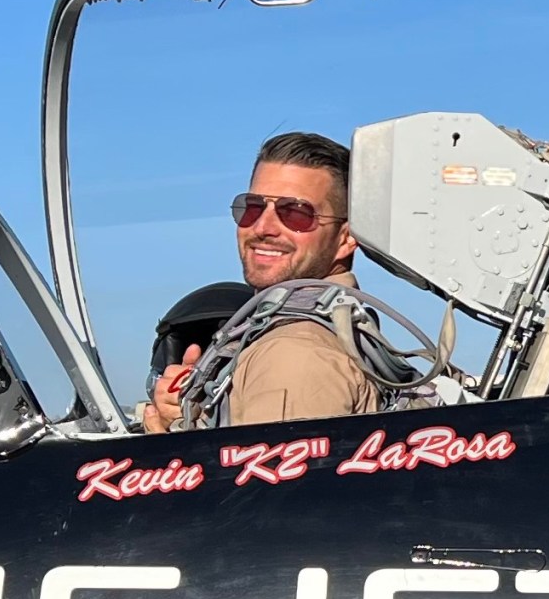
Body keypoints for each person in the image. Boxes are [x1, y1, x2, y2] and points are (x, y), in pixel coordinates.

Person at [141, 132, 377, 432]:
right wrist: (187, 414)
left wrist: (167, 449)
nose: (262, 227)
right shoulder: (336, 328)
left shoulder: (293, 356)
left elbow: (271, 477)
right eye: (252, 207)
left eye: (295, 213)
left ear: (346, 238)